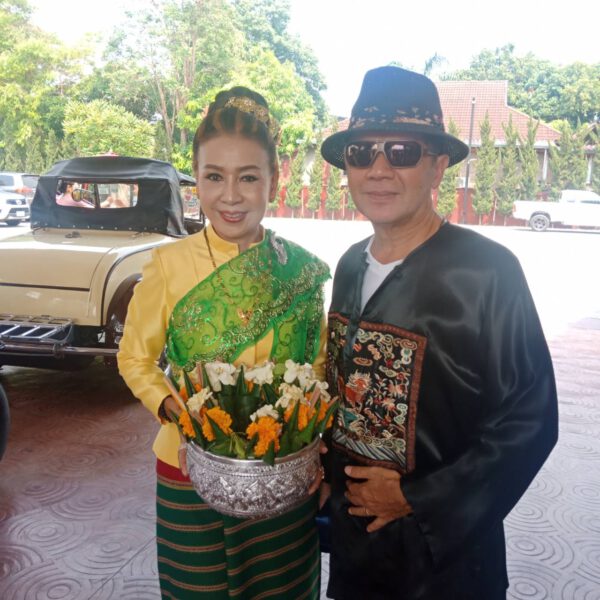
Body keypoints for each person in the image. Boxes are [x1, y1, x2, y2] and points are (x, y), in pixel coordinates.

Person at [319, 66, 559, 599]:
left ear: (438, 166)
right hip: (359, 551)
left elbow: (529, 419)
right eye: (361, 153)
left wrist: (417, 496)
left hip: (446, 560)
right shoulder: (350, 266)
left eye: (402, 152)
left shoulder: (487, 272)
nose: (379, 169)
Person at [117, 86, 329, 599]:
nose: (230, 196)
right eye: (214, 177)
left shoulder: (299, 271)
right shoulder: (168, 266)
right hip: (188, 465)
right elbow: (135, 358)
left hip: (282, 467)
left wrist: (309, 439)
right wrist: (182, 415)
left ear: (274, 180)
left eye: (248, 177)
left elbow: (318, 365)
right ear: (197, 180)